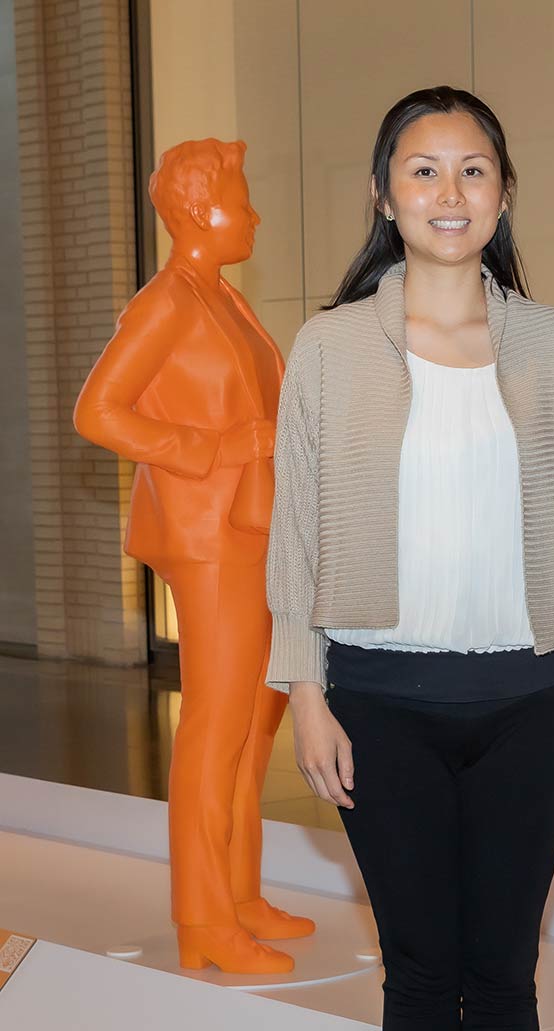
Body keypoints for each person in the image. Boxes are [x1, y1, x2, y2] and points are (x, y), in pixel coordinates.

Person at [265, 86, 554, 1031]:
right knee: (423, 977)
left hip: (534, 703)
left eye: (473, 170)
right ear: (385, 197)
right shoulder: (327, 348)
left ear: (504, 193)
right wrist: (305, 696)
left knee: (508, 975)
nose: (449, 191)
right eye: (423, 170)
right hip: (378, 706)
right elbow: (296, 537)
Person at [74, 138, 312, 975]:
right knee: (215, 728)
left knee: (253, 722)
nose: (252, 215)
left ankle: (239, 894)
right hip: (209, 538)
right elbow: (99, 411)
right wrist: (212, 447)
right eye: (242, 201)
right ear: (200, 209)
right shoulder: (166, 303)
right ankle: (203, 921)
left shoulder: (223, 299)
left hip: (252, 531)